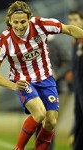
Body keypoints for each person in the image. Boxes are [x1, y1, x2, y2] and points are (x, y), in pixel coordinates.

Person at [0, 1, 83, 150]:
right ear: (9, 21)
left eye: (23, 22)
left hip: (46, 79)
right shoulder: (3, 41)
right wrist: (13, 85)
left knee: (51, 122)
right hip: (24, 82)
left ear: (29, 18)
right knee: (39, 113)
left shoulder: (41, 25)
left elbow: (69, 29)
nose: (19, 26)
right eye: (15, 22)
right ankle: (19, 148)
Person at [67, 10, 83, 150]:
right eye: (70, 20)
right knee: (79, 119)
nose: (72, 23)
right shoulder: (74, 42)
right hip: (78, 89)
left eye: (75, 19)